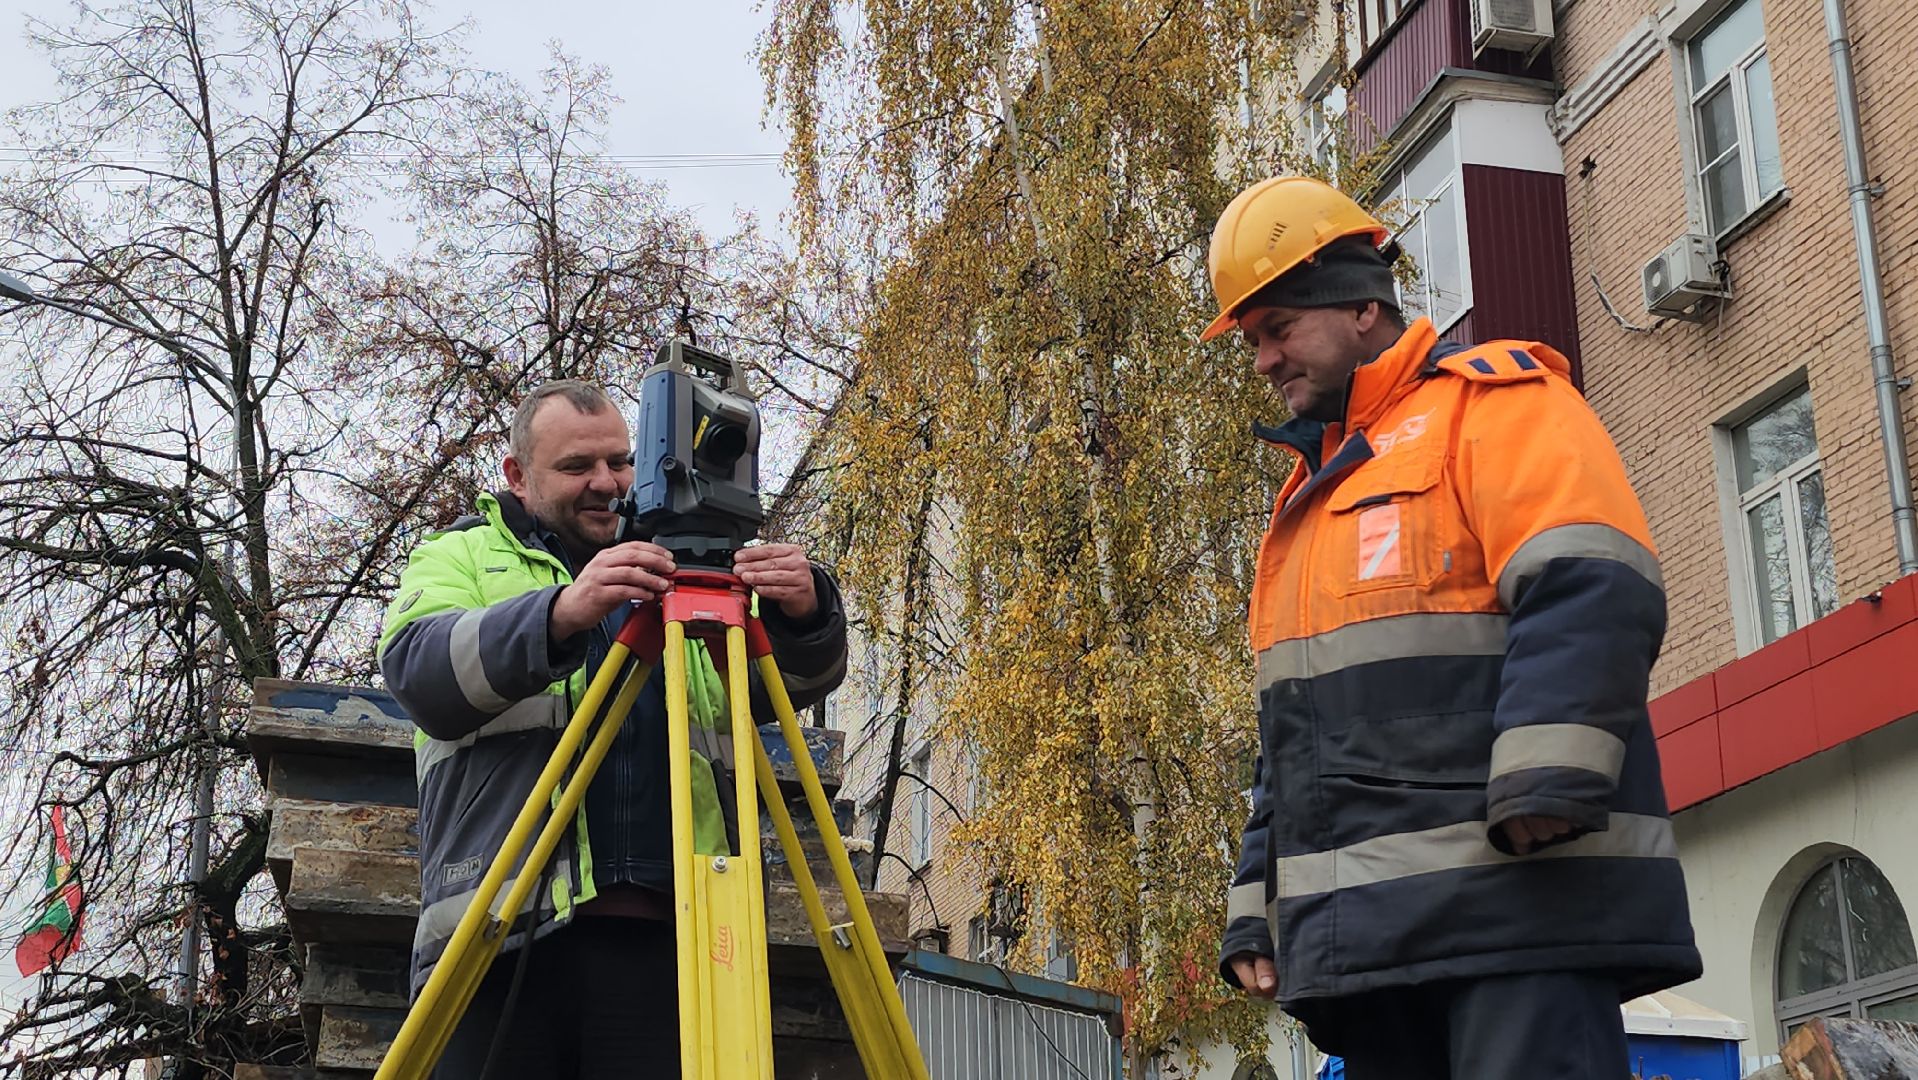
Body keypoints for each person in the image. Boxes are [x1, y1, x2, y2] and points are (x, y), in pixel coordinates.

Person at [1206, 176, 1700, 1078]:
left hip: (1517, 918)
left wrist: (1548, 780)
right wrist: (1259, 904)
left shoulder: (1494, 404)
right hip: (1376, 948)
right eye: (1251, 341)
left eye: (1279, 328)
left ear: (1362, 304)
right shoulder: (1307, 504)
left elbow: (1595, 582)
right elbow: (1294, 735)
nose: (1264, 360)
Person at [378, 380, 848, 1079]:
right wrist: (560, 612)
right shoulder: (463, 556)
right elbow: (420, 673)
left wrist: (803, 616)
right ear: (516, 474)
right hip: (503, 934)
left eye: (619, 462)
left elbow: (777, 692)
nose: (605, 483)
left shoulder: (683, 572)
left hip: (677, 936)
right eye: (576, 468)